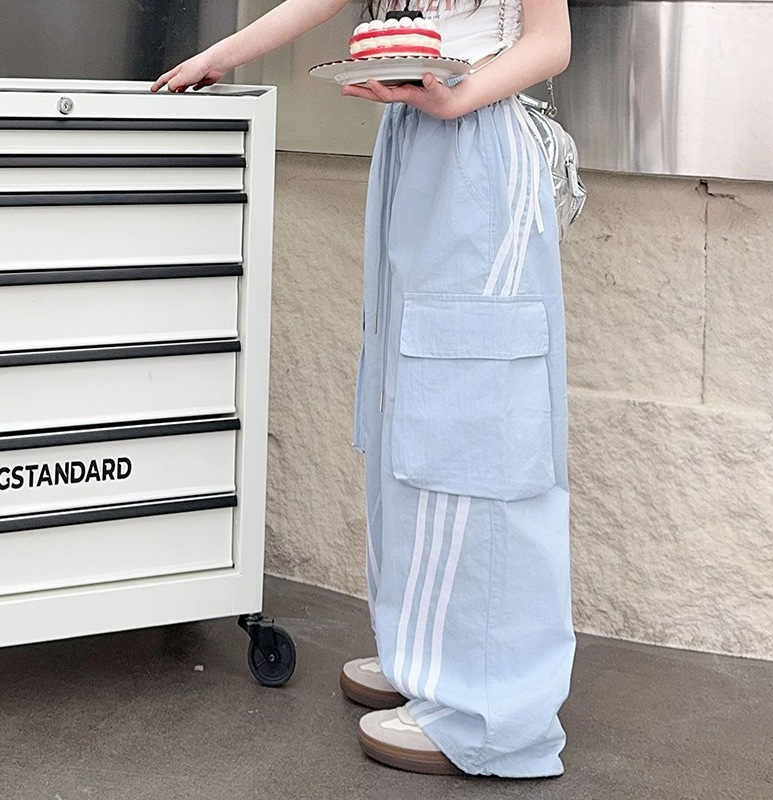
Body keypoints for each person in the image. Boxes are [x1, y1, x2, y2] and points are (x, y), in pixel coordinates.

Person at [152, 0, 575, 779]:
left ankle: (488, 709)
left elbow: (552, 44)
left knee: (474, 413)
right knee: (404, 396)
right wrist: (219, 57)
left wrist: (455, 99)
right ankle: (425, 656)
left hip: (480, 141)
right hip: (415, 138)